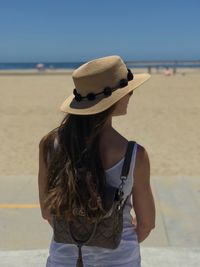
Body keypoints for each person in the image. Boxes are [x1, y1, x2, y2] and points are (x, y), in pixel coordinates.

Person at [38, 55, 156, 267]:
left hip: (64, 260)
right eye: (128, 90)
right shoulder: (134, 154)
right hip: (120, 261)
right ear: (115, 99)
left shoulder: (49, 145)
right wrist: (113, 241)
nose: (131, 95)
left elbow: (48, 212)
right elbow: (146, 224)